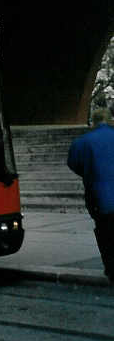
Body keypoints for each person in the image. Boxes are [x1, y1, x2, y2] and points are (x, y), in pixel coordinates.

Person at [67, 105, 114, 281]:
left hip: (99, 196)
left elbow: (73, 163)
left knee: (105, 232)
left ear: (92, 122)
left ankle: (111, 267)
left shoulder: (82, 142)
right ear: (110, 120)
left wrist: (89, 174)